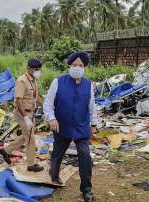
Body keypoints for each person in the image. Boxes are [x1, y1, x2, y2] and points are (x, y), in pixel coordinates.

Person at [43, 52, 98, 202]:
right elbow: (47, 104)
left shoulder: (88, 85)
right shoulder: (58, 82)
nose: (77, 68)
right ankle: (54, 174)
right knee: (57, 154)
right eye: (74, 65)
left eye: (80, 65)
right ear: (69, 66)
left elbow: (92, 106)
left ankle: (86, 189)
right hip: (62, 126)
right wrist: (52, 118)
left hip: (81, 127)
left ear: (84, 67)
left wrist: (94, 124)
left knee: (85, 157)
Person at [0, 59, 44, 172]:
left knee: (26, 137)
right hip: (22, 113)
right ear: (29, 68)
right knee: (30, 138)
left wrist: (45, 109)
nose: (38, 71)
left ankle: (6, 150)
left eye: (39, 69)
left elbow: (36, 98)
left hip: (31, 113)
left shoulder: (33, 81)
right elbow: (18, 100)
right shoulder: (22, 81)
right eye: (36, 69)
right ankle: (31, 164)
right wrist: (25, 117)